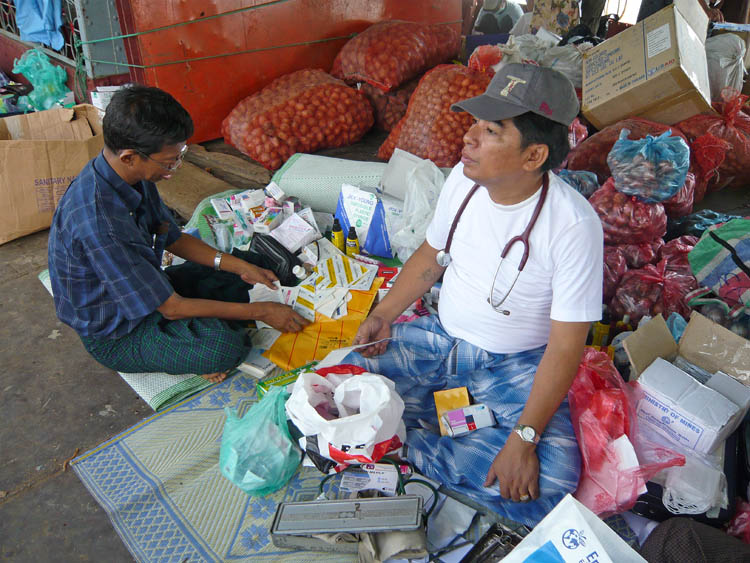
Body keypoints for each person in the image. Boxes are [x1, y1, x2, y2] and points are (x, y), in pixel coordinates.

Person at [345, 63, 603, 526]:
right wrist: (385, 313)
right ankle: (426, 444)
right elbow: (430, 257)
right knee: (339, 380)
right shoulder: (463, 182)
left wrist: (524, 438)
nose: (469, 137)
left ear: (533, 155)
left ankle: (400, 444)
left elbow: (566, 346)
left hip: (514, 365)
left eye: (490, 130)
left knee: (555, 475)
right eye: (474, 123)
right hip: (439, 340)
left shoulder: (574, 225)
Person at [48, 85, 308, 383]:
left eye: (179, 156)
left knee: (253, 265)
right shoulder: (100, 221)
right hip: (118, 331)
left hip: (150, 286)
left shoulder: (130, 176)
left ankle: (214, 318)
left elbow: (172, 237)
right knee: (225, 347)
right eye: (169, 161)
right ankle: (199, 339)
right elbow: (171, 308)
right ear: (130, 156)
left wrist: (241, 267)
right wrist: (262, 311)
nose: (174, 169)